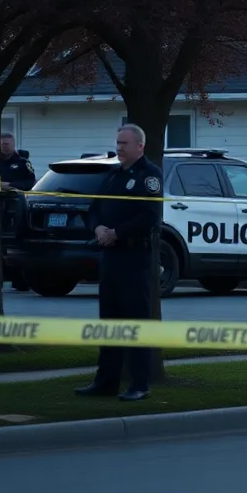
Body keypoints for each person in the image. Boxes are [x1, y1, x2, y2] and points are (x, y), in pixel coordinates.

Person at [74, 124, 164, 401]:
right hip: (111, 258)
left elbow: (150, 216)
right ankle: (106, 382)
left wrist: (118, 233)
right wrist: (98, 229)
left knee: (136, 321)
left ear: (140, 146)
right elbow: (94, 209)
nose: (119, 147)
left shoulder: (149, 177)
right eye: (117, 142)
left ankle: (139, 384)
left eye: (125, 143)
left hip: (135, 257)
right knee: (109, 321)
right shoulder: (113, 176)